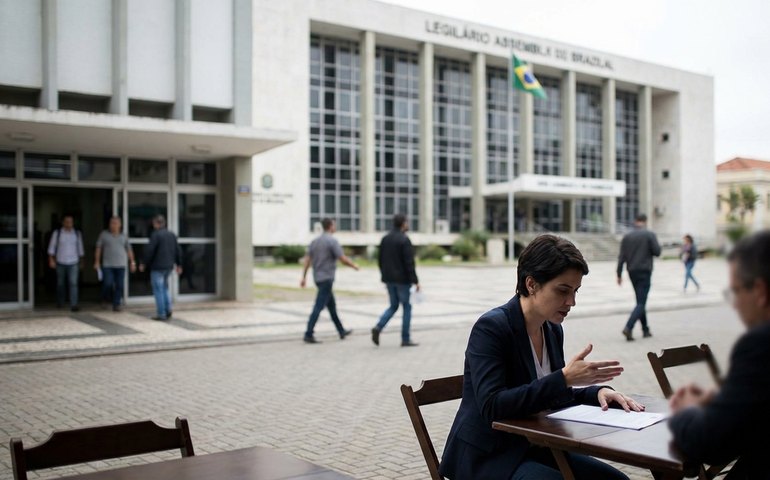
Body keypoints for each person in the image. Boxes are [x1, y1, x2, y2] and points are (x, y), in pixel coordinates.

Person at [440, 234, 642, 480]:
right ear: (531, 284)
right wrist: (564, 378)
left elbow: (553, 394)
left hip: (536, 446)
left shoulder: (552, 329)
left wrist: (596, 392)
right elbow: (493, 406)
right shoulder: (491, 328)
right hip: (490, 455)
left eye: (576, 291)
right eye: (563, 291)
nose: (572, 302)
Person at [668, 229, 770, 479]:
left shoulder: (760, 344)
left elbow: (711, 445)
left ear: (759, 291)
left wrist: (687, 411)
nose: (734, 304)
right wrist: (725, 405)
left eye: (735, 291)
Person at [300, 218, 359, 343]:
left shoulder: (314, 241)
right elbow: (342, 258)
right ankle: (308, 333)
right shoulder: (332, 241)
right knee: (318, 306)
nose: (335, 227)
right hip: (327, 278)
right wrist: (354, 266)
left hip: (318, 278)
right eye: (334, 225)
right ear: (331, 226)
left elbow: (307, 260)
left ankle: (341, 330)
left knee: (332, 306)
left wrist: (304, 277)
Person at [371, 213, 420, 347]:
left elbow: (380, 260)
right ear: (403, 223)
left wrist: (384, 276)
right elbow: (409, 263)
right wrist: (415, 281)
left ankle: (378, 327)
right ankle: (405, 338)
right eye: (407, 222)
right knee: (407, 307)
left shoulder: (385, 239)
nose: (408, 225)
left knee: (393, 305)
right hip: (403, 281)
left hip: (389, 279)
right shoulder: (404, 240)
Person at [616, 213, 661, 341]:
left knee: (640, 301)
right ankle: (628, 327)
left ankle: (645, 330)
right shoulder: (649, 234)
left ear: (636, 221)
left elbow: (621, 256)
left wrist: (618, 274)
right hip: (645, 271)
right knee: (641, 302)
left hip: (632, 271)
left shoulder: (627, 236)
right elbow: (657, 252)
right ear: (645, 221)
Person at [138, 215, 182, 321]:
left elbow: (149, 250)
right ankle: (168, 310)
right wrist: (179, 264)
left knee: (158, 290)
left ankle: (161, 313)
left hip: (157, 267)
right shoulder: (171, 235)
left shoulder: (155, 235)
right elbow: (178, 251)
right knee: (165, 288)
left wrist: (143, 262)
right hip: (168, 267)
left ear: (156, 223)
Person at [94, 216, 136, 311]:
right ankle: (105, 298)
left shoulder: (124, 236)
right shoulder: (104, 235)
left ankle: (116, 304)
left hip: (121, 265)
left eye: (116, 223)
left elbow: (129, 249)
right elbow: (98, 248)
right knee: (108, 283)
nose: (113, 225)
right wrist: (97, 261)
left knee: (119, 285)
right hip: (107, 265)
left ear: (120, 225)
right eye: (112, 223)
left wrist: (132, 262)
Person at [47, 214, 84, 312]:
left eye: (71, 222)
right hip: (60, 262)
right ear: (63, 222)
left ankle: (74, 304)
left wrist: (82, 261)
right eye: (67, 222)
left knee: (73, 283)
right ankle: (60, 302)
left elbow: (80, 249)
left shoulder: (77, 233)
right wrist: (51, 259)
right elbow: (52, 247)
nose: (69, 224)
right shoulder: (57, 233)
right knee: (60, 284)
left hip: (73, 262)